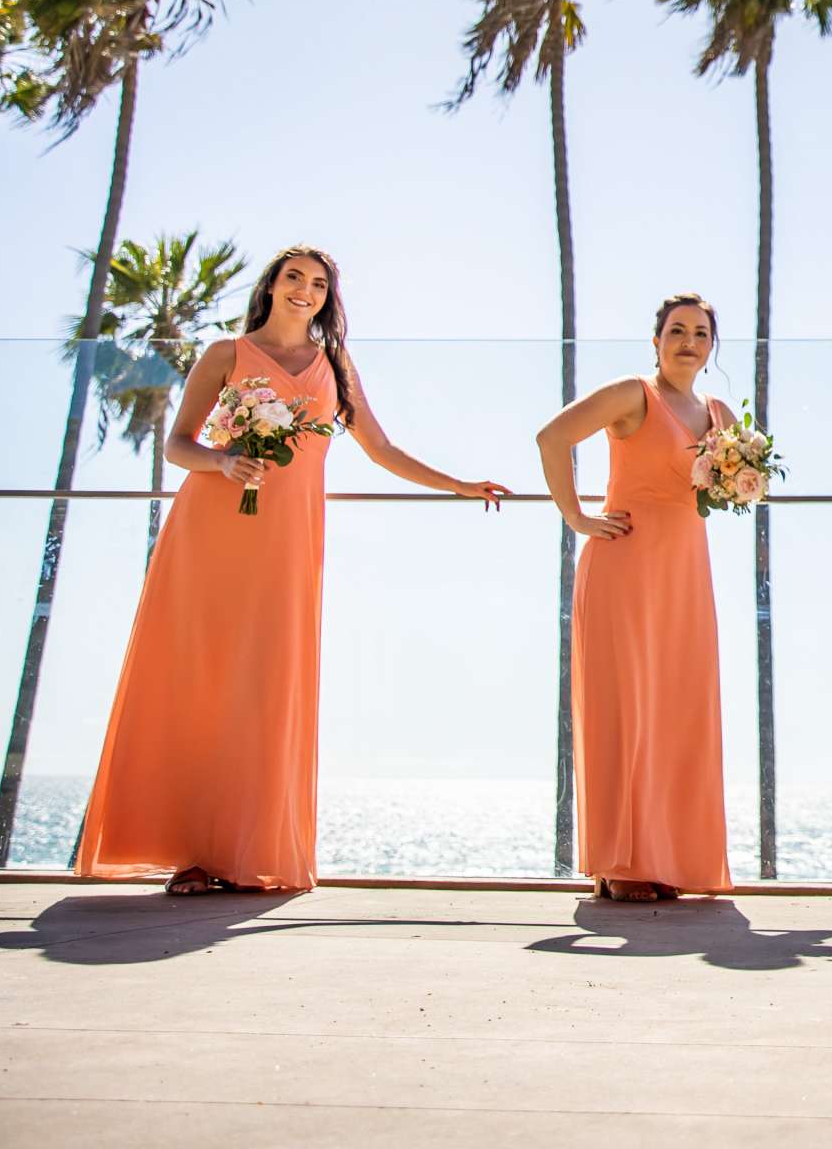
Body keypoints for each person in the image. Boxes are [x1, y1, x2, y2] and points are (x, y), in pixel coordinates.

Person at [77, 246, 511, 894]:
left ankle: (249, 848)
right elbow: (178, 445)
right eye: (294, 278)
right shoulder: (227, 354)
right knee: (199, 676)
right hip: (212, 531)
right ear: (272, 286)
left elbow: (380, 446)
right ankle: (190, 853)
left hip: (287, 541)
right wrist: (223, 463)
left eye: (318, 283)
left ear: (328, 296)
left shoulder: (333, 362)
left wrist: (456, 484)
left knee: (265, 684)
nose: (305, 290)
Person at [538, 293, 736, 901]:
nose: (687, 342)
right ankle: (619, 863)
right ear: (656, 341)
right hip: (625, 566)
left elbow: (726, 492)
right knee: (624, 706)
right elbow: (551, 437)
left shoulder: (721, 412)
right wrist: (576, 517)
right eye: (676, 331)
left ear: (711, 346)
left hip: (685, 576)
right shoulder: (632, 394)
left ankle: (668, 858)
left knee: (678, 708)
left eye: (700, 333)